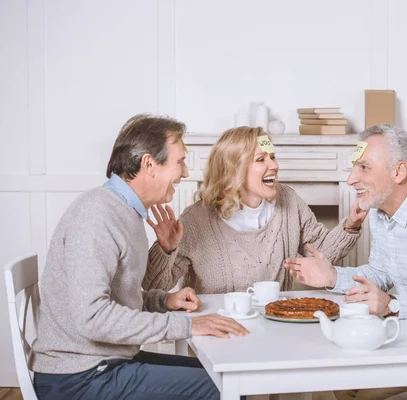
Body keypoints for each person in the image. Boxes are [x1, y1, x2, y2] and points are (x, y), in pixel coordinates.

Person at [30, 114, 248, 400]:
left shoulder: (124, 212)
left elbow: (116, 298)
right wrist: (188, 325)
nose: (185, 173)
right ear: (149, 164)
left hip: (103, 364)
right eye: (180, 161)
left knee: (222, 374)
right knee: (225, 389)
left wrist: (163, 301)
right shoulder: (97, 215)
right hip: (78, 378)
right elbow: (93, 317)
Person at [142, 126, 367, 294]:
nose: (274, 166)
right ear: (234, 169)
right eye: (261, 159)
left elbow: (321, 256)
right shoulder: (196, 219)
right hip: (217, 332)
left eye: (273, 157)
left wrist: (351, 225)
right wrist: (165, 249)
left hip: (276, 325)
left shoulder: (288, 200)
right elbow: (154, 286)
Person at [285, 124, 407, 319]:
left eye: (364, 168)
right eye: (354, 168)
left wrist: (393, 305)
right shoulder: (381, 211)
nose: (351, 179)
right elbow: (380, 273)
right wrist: (333, 276)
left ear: (398, 171)